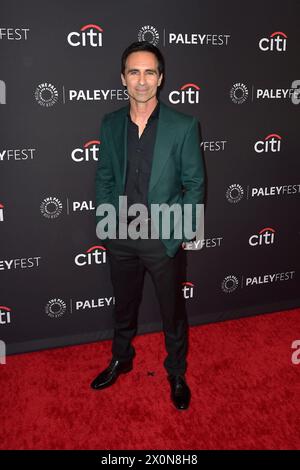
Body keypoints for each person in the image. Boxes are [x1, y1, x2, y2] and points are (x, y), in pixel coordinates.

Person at [91, 41, 205, 410]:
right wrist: (108, 224)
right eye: (134, 72)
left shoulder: (184, 126)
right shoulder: (110, 124)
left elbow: (195, 185)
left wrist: (176, 237)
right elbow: (105, 177)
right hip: (121, 234)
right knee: (123, 306)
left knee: (172, 312)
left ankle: (176, 372)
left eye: (150, 72)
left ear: (161, 78)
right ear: (123, 78)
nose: (142, 80)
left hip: (163, 239)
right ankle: (121, 359)